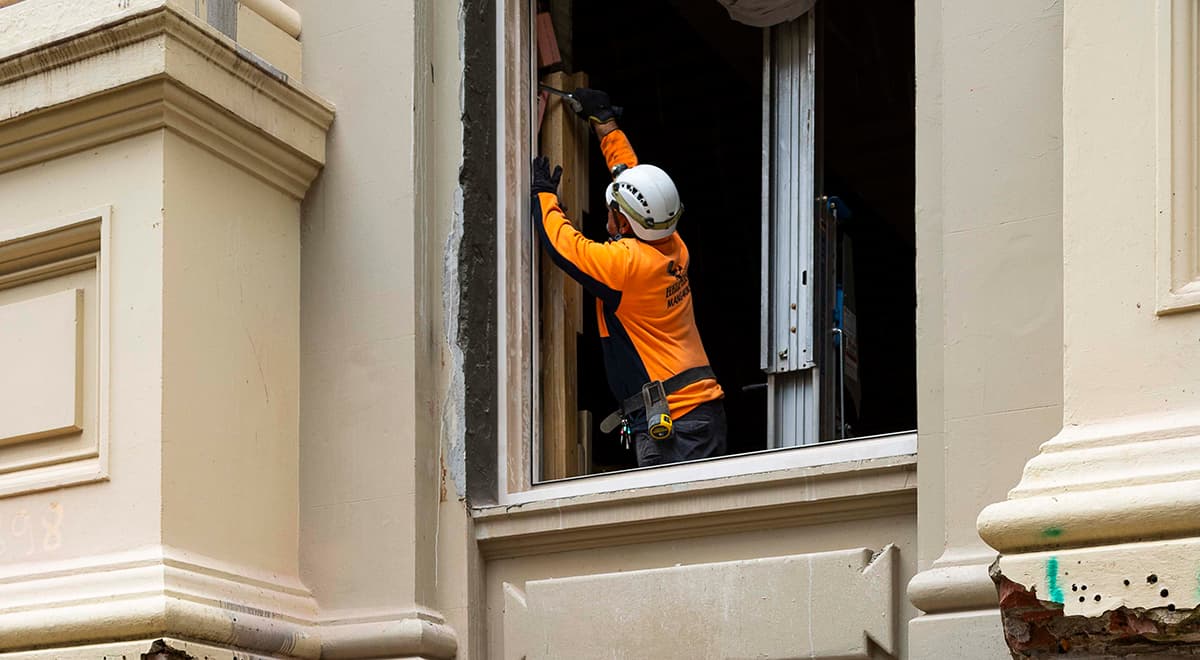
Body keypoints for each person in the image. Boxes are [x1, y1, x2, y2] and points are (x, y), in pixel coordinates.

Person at [531, 87, 726, 467]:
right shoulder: (672, 242)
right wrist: (605, 124)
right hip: (700, 414)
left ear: (623, 220)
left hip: (679, 426)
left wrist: (543, 196)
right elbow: (632, 178)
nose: (608, 214)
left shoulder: (627, 266)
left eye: (611, 209)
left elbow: (564, 246)